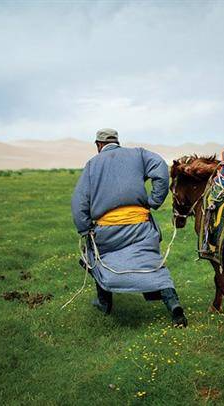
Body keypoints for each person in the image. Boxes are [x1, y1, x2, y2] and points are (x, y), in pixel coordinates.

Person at [71, 128, 187, 327]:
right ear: (117, 141)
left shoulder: (92, 164)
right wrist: (154, 200)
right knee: (151, 261)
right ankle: (172, 303)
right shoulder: (139, 154)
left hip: (108, 232)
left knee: (94, 256)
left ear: (98, 145)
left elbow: (79, 201)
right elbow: (160, 167)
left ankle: (104, 302)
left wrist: (84, 228)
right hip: (141, 225)